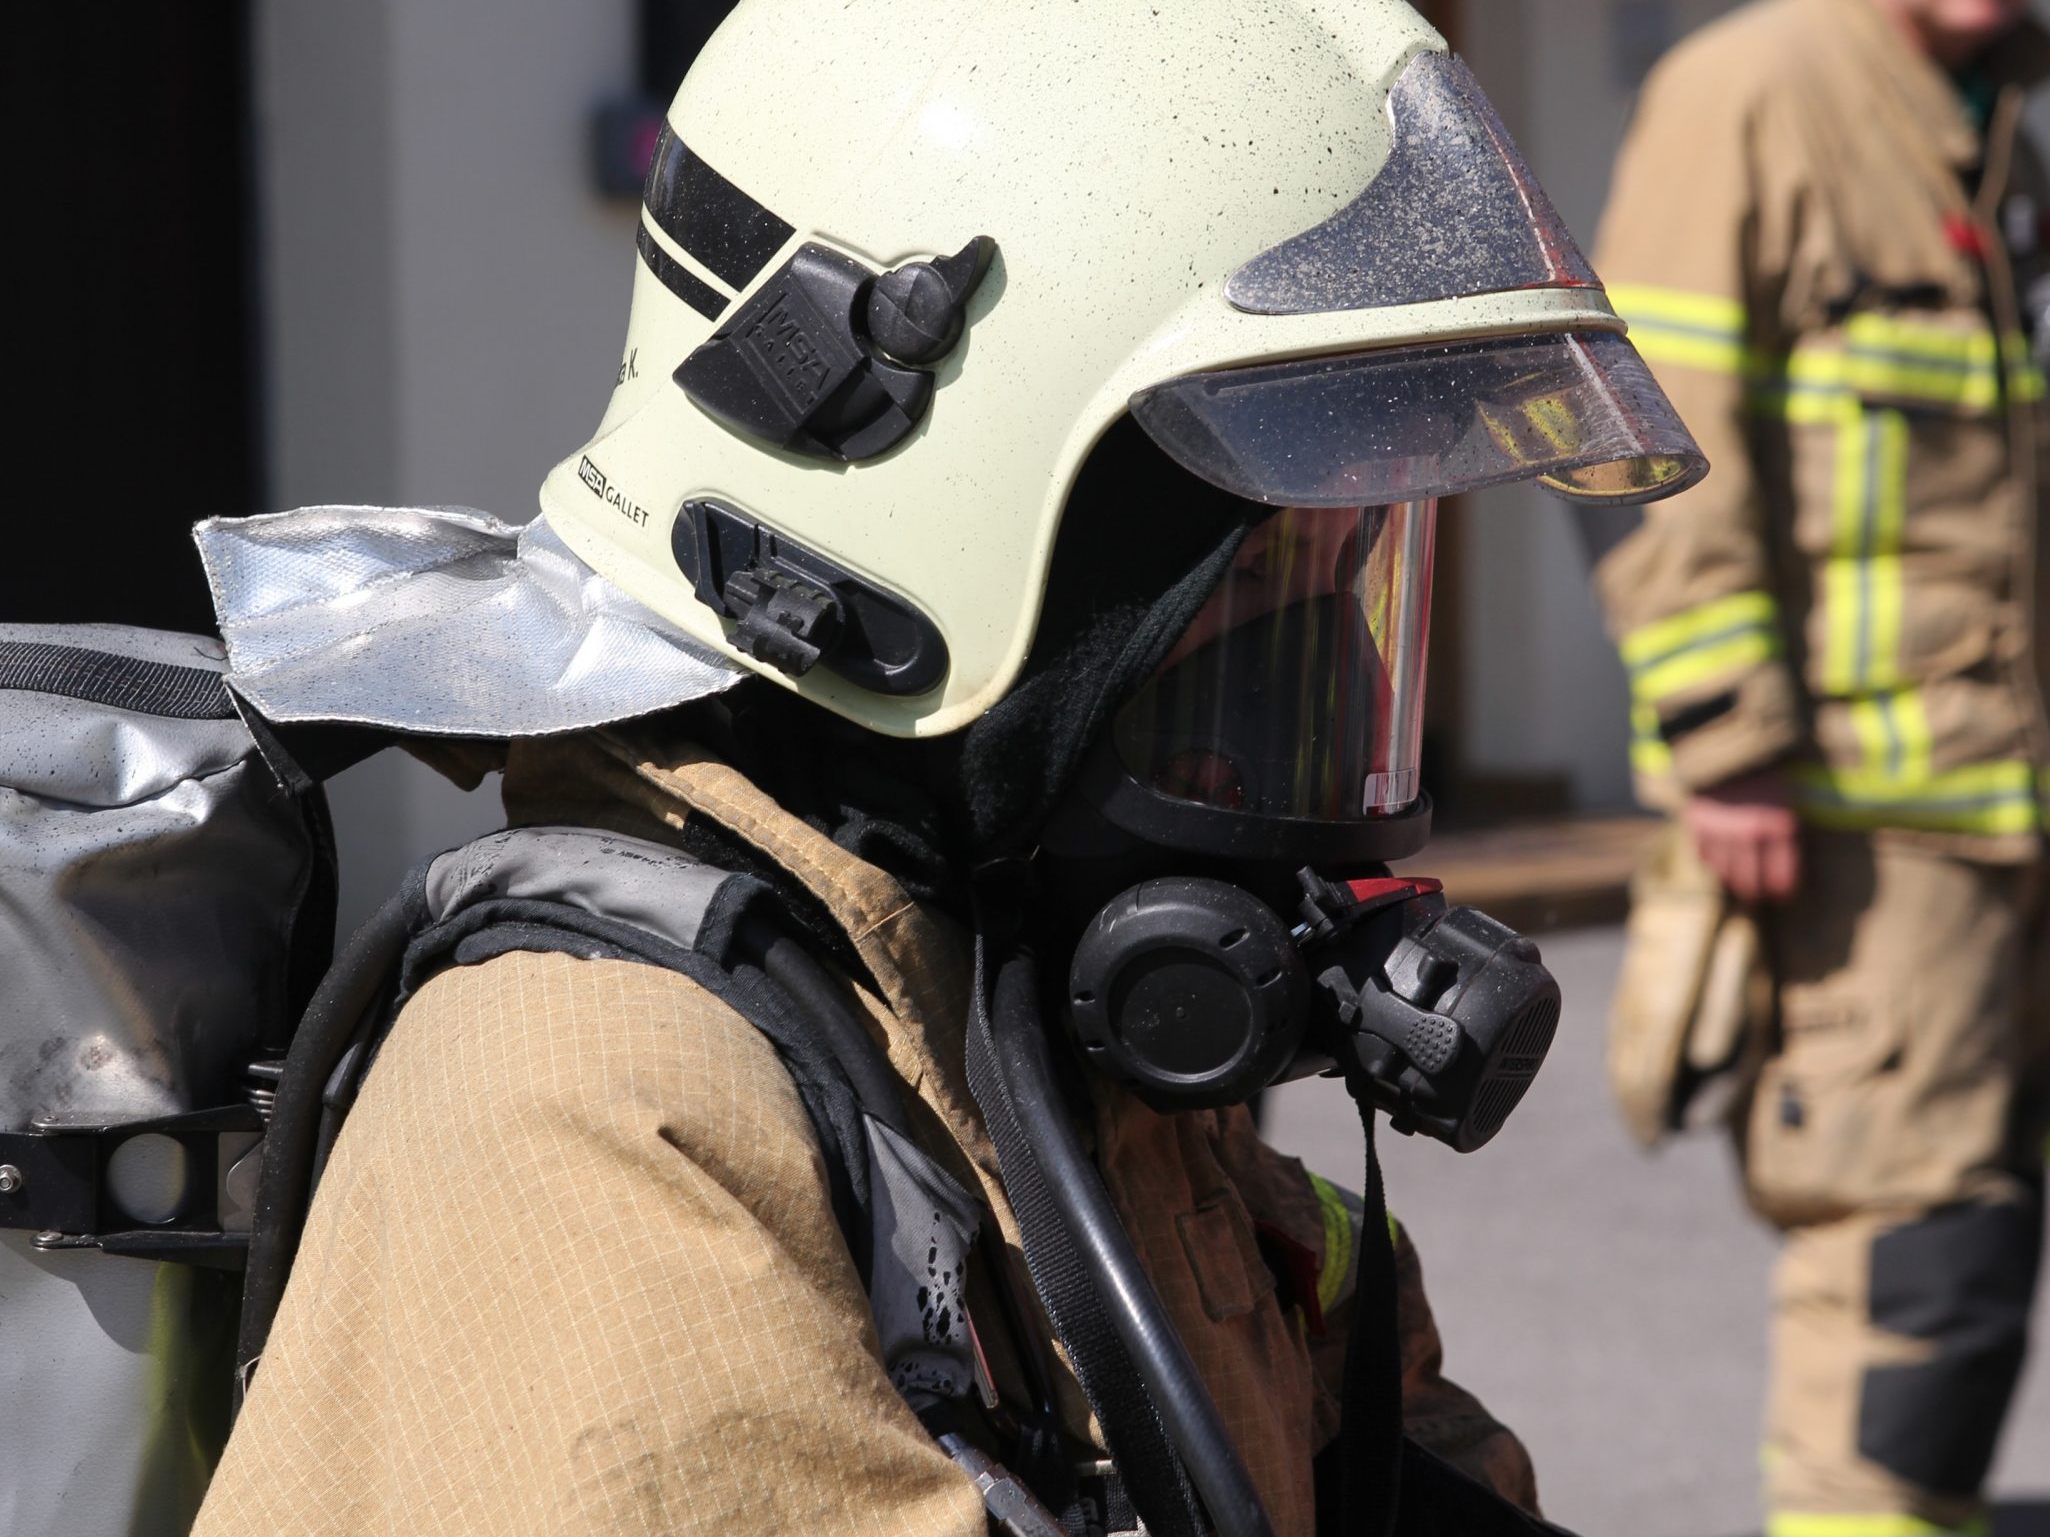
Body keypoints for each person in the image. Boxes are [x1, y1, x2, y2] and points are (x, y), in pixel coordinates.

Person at [188, 1, 1706, 1531]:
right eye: (1251, 594)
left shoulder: (1001, 985)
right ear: (931, 531)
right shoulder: (592, 1110)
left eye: (1349, 576)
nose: (1347, 673)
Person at [1595, 0, 2050, 1530]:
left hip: (1999, 803)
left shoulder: (1986, 106)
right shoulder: (1750, 93)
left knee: (1977, 1254)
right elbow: (1640, 440)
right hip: (1862, 819)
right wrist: (1725, 743)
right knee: (1902, 1261)